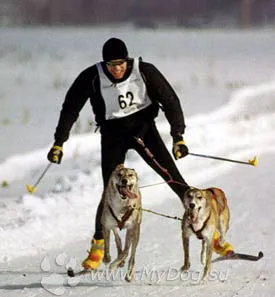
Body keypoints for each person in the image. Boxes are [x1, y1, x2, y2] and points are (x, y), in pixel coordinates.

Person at [47, 37, 191, 271]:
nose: (117, 69)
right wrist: (59, 142)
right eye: (112, 65)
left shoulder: (145, 71)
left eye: (121, 64)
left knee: (173, 178)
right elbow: (71, 107)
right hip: (113, 136)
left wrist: (178, 136)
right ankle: (98, 247)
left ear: (127, 60)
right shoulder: (91, 77)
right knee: (109, 191)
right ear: (104, 64)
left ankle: (210, 231)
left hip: (145, 132)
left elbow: (171, 100)